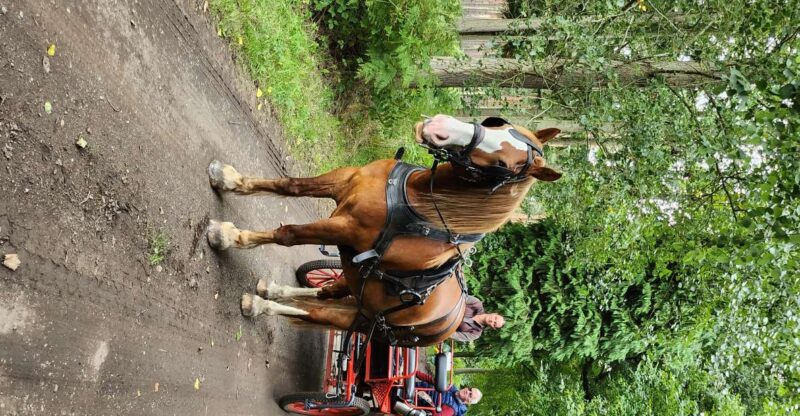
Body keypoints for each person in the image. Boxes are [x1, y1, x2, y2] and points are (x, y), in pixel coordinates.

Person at [414, 371, 482, 416]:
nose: (467, 391)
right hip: (414, 385)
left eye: (470, 395)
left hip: (412, 401)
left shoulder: (452, 409)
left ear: (468, 402)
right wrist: (415, 372)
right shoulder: (452, 387)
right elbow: (432, 380)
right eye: (470, 389)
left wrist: (428, 400)